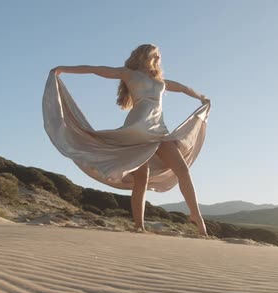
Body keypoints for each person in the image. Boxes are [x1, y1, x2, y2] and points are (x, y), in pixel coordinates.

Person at [44, 44, 210, 236]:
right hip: (136, 131)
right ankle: (139, 225)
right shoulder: (129, 74)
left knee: (182, 170)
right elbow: (97, 70)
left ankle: (196, 215)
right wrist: (63, 69)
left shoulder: (160, 81)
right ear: (142, 56)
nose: (157, 60)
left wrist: (201, 97)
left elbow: (182, 88)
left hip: (159, 131)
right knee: (142, 178)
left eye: (159, 58)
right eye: (153, 56)